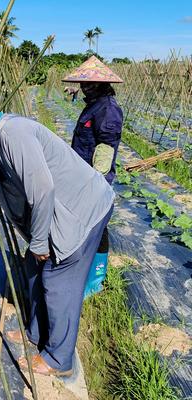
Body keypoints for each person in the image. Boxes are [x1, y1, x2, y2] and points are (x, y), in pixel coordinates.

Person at [0, 89, 114, 377]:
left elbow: (43, 190)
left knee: (58, 281)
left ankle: (59, 359)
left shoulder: (13, 134)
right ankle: (36, 335)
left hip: (83, 210)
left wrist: (38, 241)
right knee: (34, 269)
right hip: (59, 210)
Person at [63, 55, 124, 298]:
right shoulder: (94, 105)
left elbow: (106, 148)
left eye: (89, 84)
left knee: (98, 226)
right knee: (86, 226)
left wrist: (94, 181)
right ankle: (83, 269)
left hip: (94, 178)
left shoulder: (108, 109)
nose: (84, 87)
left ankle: (96, 278)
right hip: (82, 174)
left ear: (101, 85)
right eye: (83, 83)